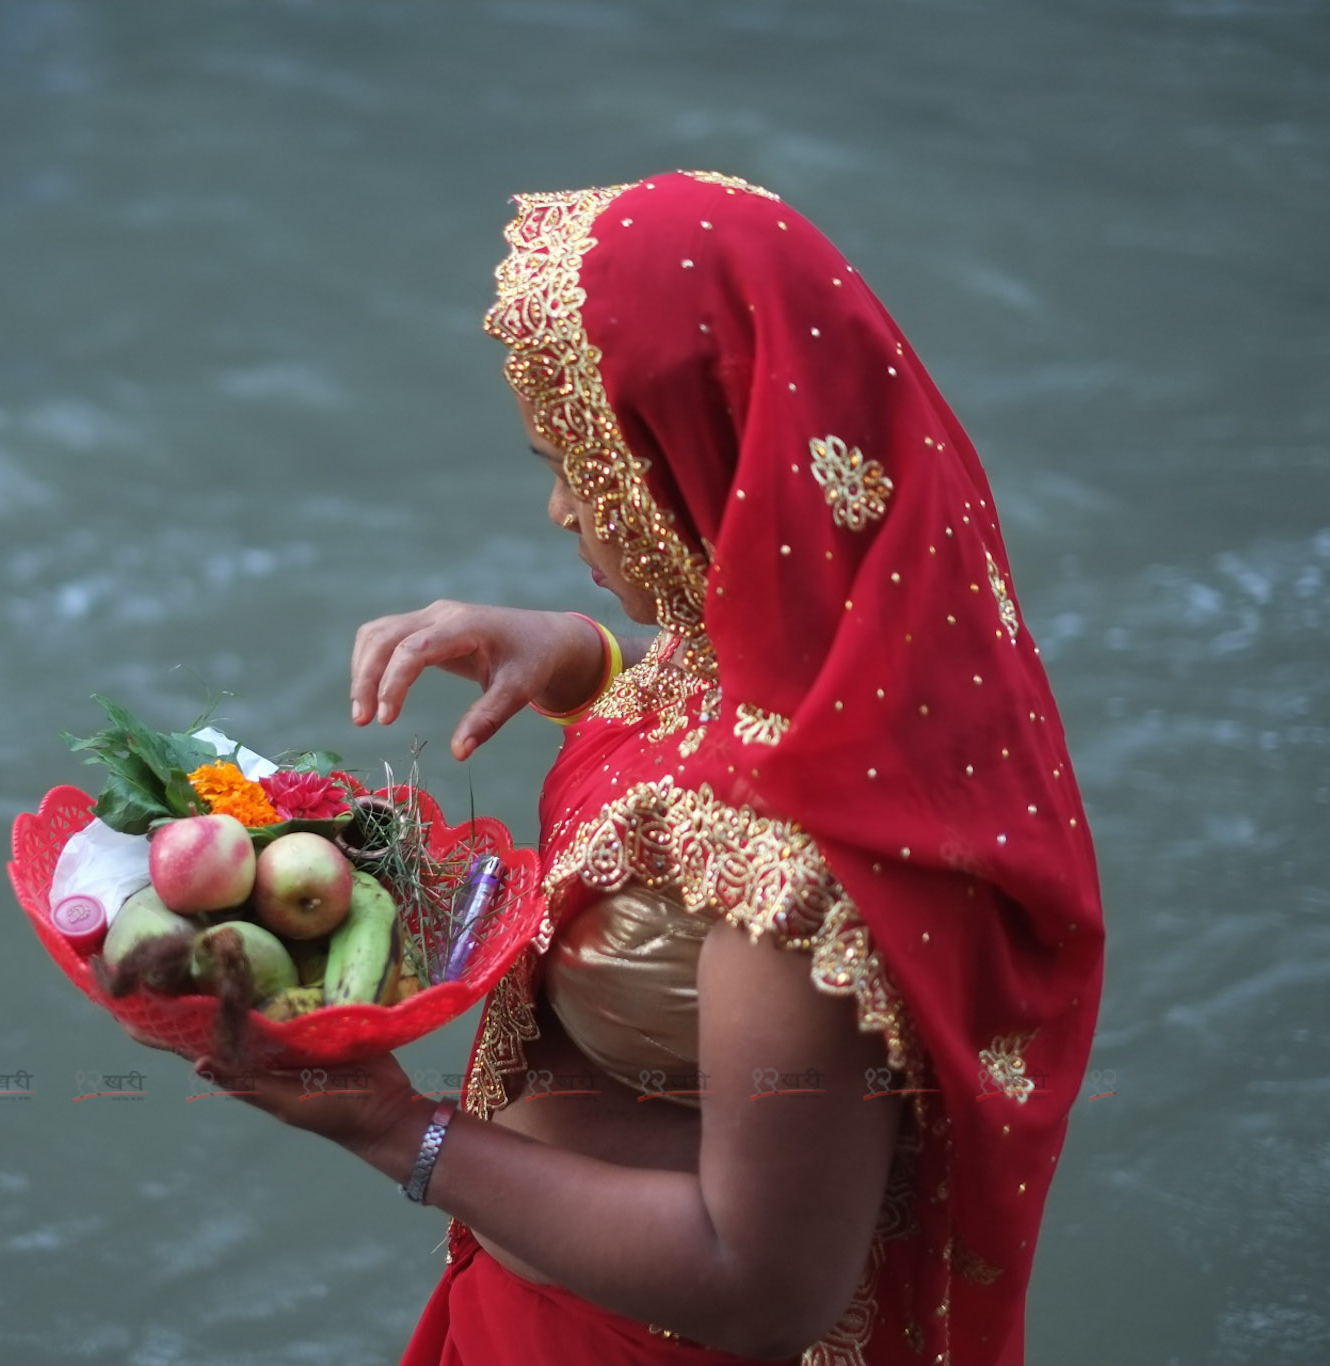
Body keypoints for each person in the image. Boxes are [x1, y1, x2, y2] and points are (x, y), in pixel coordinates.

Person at [170, 169, 1106, 1365]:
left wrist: (394, 1130)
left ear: (693, 465)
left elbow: (758, 1280)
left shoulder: (792, 883)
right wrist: (580, 659)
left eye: (583, 464)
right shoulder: (865, 649)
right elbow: (720, 743)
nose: (562, 511)